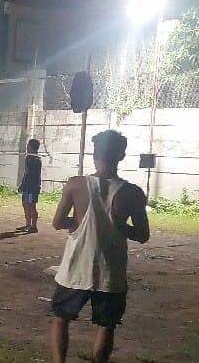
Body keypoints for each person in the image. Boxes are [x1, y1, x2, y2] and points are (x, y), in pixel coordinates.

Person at [49, 130, 149, 363]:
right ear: (121, 155)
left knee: (61, 318)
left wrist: (76, 223)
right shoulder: (133, 193)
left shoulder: (76, 184)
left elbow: (57, 222)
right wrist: (119, 226)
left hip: (75, 268)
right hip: (110, 272)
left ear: (94, 154)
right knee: (106, 325)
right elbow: (143, 235)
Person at [18, 138, 43, 233]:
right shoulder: (30, 158)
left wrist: (23, 185)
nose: (27, 147)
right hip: (28, 186)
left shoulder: (35, 160)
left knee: (31, 206)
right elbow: (26, 174)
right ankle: (28, 224)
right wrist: (23, 185)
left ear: (32, 147)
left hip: (32, 187)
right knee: (25, 205)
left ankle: (33, 226)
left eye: (28, 146)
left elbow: (29, 173)